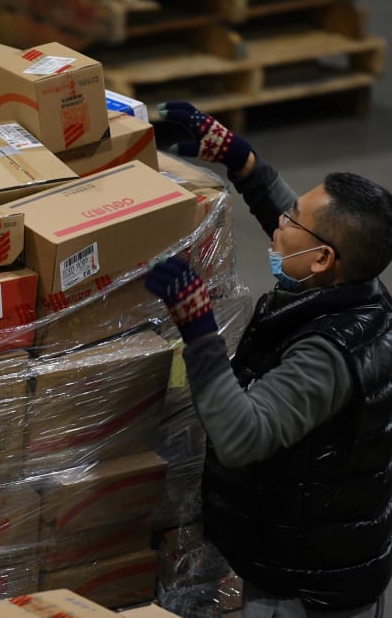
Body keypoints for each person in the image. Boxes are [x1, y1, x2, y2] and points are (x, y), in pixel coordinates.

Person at [144, 101, 392, 618]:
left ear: (322, 259)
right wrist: (245, 164)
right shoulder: (358, 288)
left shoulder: (328, 354)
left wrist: (198, 327)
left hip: (305, 593)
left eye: (291, 219)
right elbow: (307, 234)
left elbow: (240, 436)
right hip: (313, 553)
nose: (279, 221)